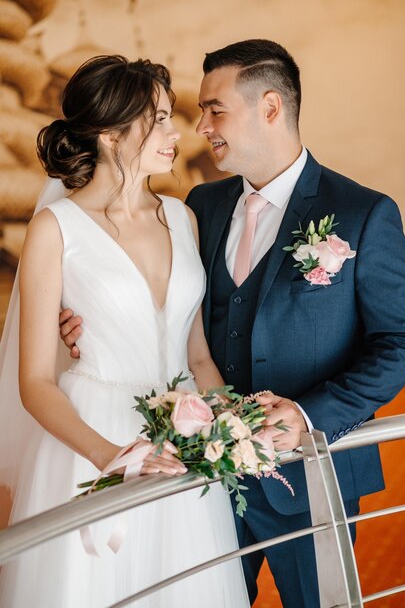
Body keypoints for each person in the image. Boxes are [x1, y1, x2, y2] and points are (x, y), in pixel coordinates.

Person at [58, 40, 405, 607]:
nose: (200, 127)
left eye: (214, 109)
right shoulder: (200, 205)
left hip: (310, 478)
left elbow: (403, 341)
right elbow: (170, 312)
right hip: (200, 476)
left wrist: (305, 415)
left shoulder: (363, 213)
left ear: (269, 107)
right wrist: (83, 323)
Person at [0, 55, 250, 608]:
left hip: (183, 444)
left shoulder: (180, 217)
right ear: (112, 136)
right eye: (158, 119)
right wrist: (112, 455)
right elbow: (36, 381)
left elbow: (199, 356)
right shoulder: (55, 229)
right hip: (94, 438)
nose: (175, 133)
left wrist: (231, 424)